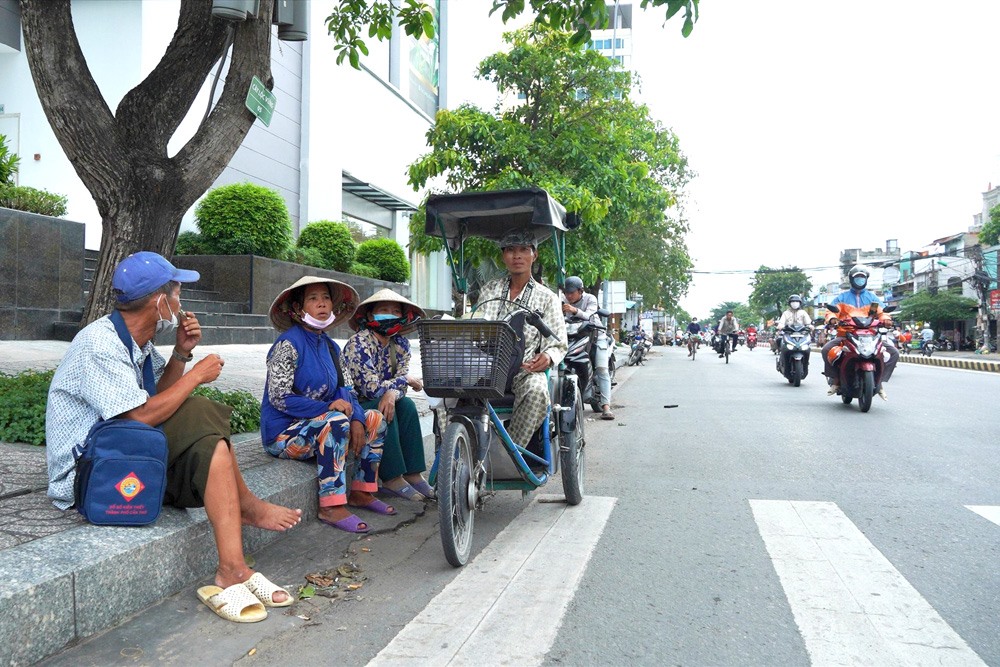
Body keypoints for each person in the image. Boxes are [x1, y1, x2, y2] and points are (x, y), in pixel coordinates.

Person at [46, 251, 302, 623]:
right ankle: (244, 511)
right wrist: (194, 376)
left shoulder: (138, 343)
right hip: (88, 477)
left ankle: (233, 568)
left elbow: (152, 402)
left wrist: (181, 353)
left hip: (124, 457)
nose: (182, 304)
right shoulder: (98, 344)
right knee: (198, 408)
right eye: (178, 293)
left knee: (208, 442)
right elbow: (141, 416)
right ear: (159, 301)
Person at [261, 277, 388, 534]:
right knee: (336, 421)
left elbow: (348, 392)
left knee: (375, 419)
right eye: (313, 298)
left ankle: (362, 492)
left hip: (324, 424)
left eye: (326, 298)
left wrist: (357, 419)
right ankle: (330, 505)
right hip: (285, 433)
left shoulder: (331, 347)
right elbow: (279, 397)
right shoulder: (288, 344)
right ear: (298, 309)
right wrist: (331, 408)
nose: (322, 304)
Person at [474, 228, 568, 448]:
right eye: (510, 250)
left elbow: (558, 342)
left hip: (524, 369)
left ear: (534, 255)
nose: (517, 256)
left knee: (537, 392)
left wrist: (547, 356)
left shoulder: (547, 297)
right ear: (503, 256)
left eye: (524, 250)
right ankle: (455, 452)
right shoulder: (490, 290)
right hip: (484, 366)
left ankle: (510, 451)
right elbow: (475, 327)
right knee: (445, 393)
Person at [344, 288, 435, 501]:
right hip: (357, 406)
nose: (390, 315)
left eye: (395, 311)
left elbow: (401, 380)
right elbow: (370, 389)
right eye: (384, 310)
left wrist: (393, 391)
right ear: (369, 315)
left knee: (407, 406)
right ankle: (392, 477)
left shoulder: (400, 344)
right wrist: (403, 383)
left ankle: (413, 473)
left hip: (383, 397)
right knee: (384, 408)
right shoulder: (359, 343)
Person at [821, 265, 898, 399]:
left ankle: (879, 383)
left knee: (894, 353)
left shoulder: (872, 299)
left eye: (863, 278)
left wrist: (886, 320)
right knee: (826, 350)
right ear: (851, 279)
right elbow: (832, 311)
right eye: (858, 278)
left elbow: (880, 313)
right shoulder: (842, 298)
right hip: (846, 335)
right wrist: (833, 319)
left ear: (866, 279)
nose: (860, 280)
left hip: (870, 335)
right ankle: (835, 380)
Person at [561, 275, 614, 420]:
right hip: (572, 337)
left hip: (596, 335)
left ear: (580, 291)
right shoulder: (563, 300)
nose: (569, 295)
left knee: (602, 368)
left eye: (572, 292)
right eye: (567, 292)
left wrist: (574, 310)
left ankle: (606, 407)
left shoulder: (590, 298)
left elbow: (589, 315)